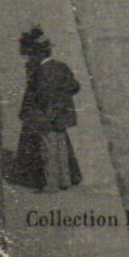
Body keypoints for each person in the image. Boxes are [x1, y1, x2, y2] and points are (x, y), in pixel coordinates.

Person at [15, 28, 82, 193]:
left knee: (48, 150)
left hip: (47, 117)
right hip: (62, 116)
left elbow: (43, 97)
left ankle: (51, 184)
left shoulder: (40, 72)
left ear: (37, 54)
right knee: (61, 147)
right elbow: (75, 86)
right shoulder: (61, 66)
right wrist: (63, 94)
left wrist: (44, 112)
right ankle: (65, 180)